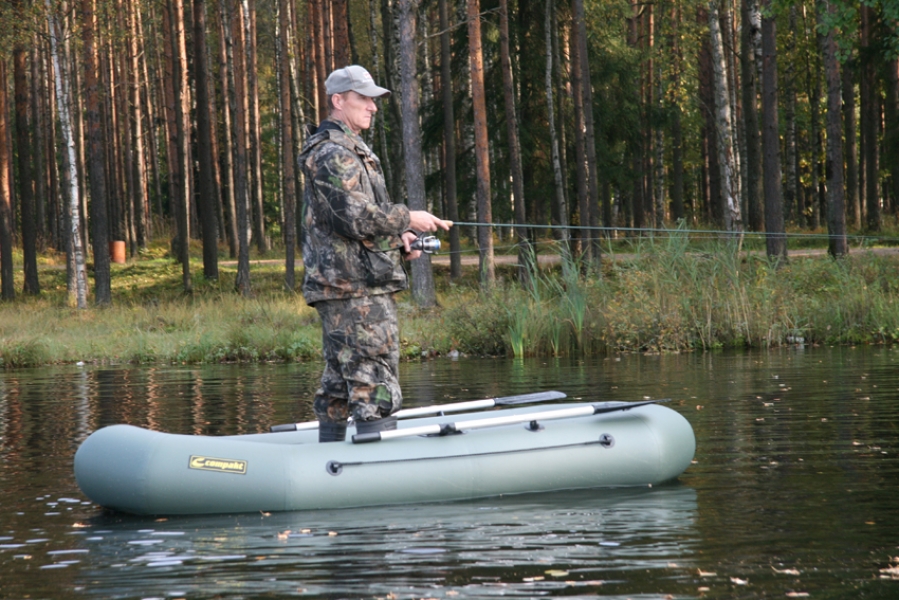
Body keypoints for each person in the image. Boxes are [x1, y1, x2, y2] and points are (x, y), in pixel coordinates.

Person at [298, 65, 451, 443]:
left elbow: (350, 223)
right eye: (364, 98)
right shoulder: (334, 152)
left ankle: (330, 456)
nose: (373, 107)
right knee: (374, 373)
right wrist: (407, 216)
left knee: (339, 378)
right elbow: (352, 216)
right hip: (354, 289)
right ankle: (374, 460)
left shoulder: (347, 149)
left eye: (373, 99)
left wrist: (399, 239)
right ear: (339, 101)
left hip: (351, 283)